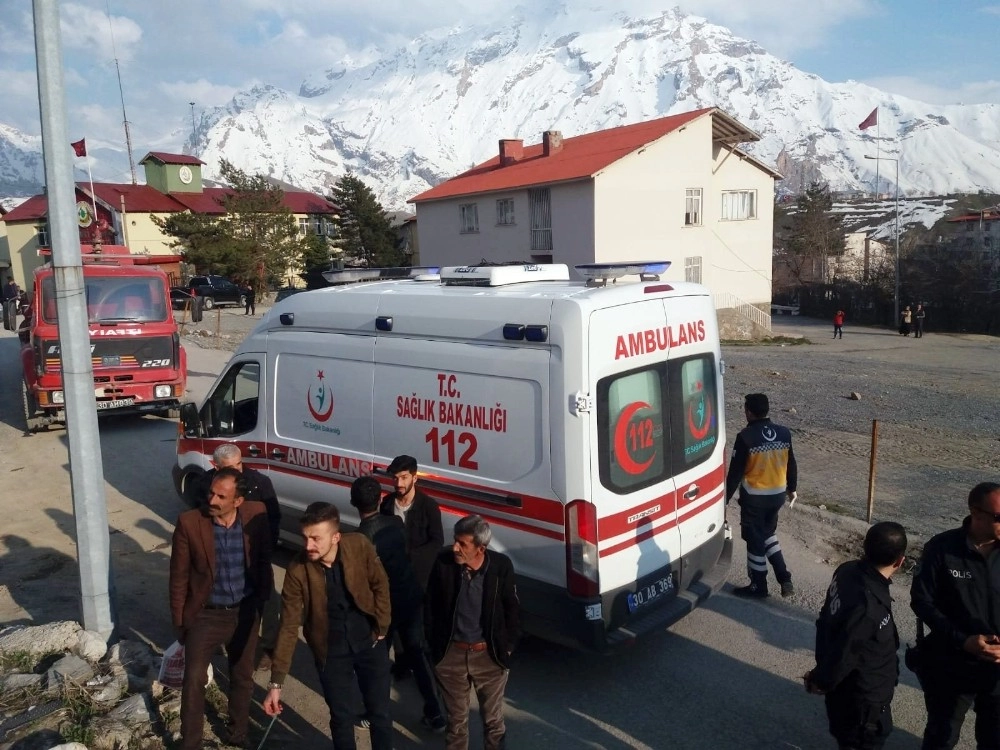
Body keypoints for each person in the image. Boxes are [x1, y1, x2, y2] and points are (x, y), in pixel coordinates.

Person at [263, 502, 392, 750]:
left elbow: (381, 584)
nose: (308, 546)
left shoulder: (359, 546)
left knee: (380, 714)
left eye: (315, 539)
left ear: (336, 537)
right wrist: (276, 683)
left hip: (369, 642)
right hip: (330, 651)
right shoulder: (298, 569)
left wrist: (383, 626)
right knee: (341, 718)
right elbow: (289, 625)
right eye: (305, 538)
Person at [168, 467, 274, 750]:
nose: (212, 500)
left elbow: (264, 559)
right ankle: (190, 743)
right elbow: (178, 578)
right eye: (211, 492)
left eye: (220, 496)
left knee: (242, 677)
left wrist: (262, 602)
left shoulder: (256, 514)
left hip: (245, 611)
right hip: (206, 615)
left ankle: (238, 734)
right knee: (193, 680)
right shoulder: (190, 523)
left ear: (237, 501)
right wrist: (180, 623)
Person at [352, 476, 447, 733]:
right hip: (410, 595)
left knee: (379, 660)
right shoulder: (395, 523)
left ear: (353, 504)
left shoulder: (360, 539)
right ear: (380, 499)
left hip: (385, 606)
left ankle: (375, 712)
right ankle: (435, 711)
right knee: (417, 652)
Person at [910, 482, 1000, 750]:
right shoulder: (942, 548)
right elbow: (922, 601)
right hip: (950, 663)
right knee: (942, 735)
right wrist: (963, 640)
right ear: (976, 512)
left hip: (997, 671)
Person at [804, 521, 908, 750]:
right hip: (862, 701)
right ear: (900, 561)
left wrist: (821, 674)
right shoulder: (869, 607)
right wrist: (822, 680)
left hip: (849, 691)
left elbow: (828, 622)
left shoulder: (847, 570)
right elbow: (846, 652)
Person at [425, 514, 520, 750]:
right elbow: (430, 606)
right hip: (451, 656)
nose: (455, 548)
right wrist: (434, 648)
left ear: (481, 548)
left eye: (463, 544)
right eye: (455, 541)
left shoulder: (500, 567)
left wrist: (507, 647)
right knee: (456, 724)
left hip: (489, 657)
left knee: (493, 722)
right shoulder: (443, 563)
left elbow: (512, 608)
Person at [201, 443, 282, 669]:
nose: (237, 471)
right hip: (222, 554)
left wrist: (266, 550)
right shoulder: (207, 486)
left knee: (268, 601)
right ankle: (219, 638)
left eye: (239, 465)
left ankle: (267, 646)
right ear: (216, 467)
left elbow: (274, 518)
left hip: (256, 554)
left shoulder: (259, 483)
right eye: (229, 468)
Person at [725, 392, 798, 598]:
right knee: (767, 534)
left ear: (748, 412)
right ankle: (784, 578)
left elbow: (735, 474)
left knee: (755, 541)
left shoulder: (745, 437)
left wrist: (723, 501)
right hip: (777, 497)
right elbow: (791, 463)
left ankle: (758, 585)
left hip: (754, 499)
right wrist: (792, 488)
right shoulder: (784, 433)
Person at [380, 454, 444, 679]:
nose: (399, 483)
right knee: (395, 625)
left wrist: (411, 558)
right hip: (393, 577)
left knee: (419, 628)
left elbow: (437, 541)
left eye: (404, 477)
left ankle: (424, 669)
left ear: (415, 478)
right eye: (395, 478)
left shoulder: (428, 506)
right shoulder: (387, 504)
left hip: (419, 580)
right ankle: (402, 664)